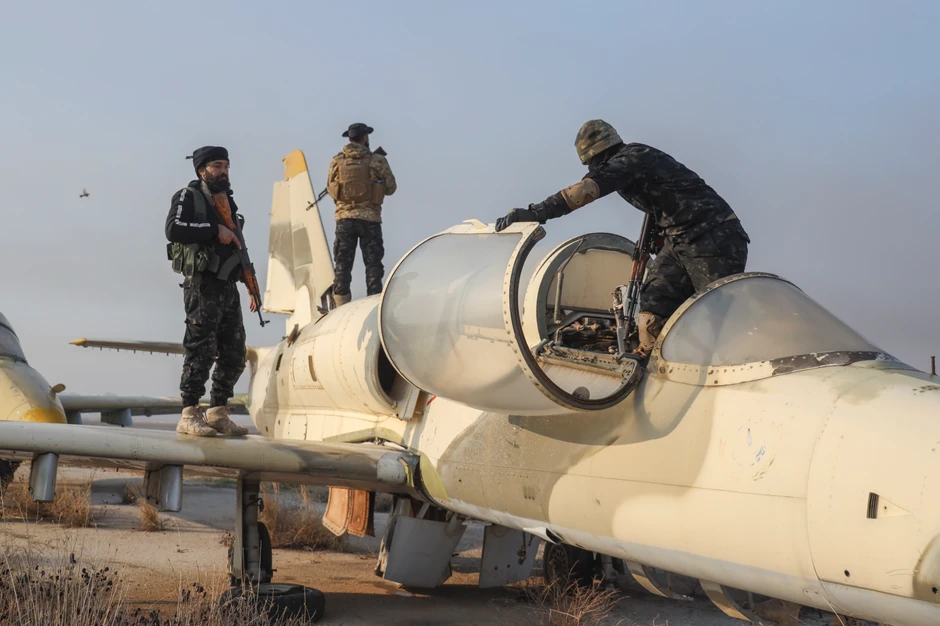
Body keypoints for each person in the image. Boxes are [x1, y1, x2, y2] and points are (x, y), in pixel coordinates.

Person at [495, 119, 749, 357]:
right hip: (680, 240)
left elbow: (585, 191)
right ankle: (654, 359)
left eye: (591, 163)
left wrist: (535, 213)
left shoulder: (630, 161)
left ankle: (740, 360)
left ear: (598, 155)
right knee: (654, 302)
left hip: (713, 236)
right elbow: (660, 202)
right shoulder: (631, 163)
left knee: (716, 313)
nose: (592, 170)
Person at [165, 145, 253, 437]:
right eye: (217, 166)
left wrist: (250, 285)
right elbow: (174, 229)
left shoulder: (227, 201)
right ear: (202, 170)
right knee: (201, 349)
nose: (223, 171)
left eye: (226, 166)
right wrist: (214, 230)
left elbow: (238, 243)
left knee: (235, 353)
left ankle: (217, 412)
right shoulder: (188, 197)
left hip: (228, 285)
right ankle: (189, 412)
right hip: (202, 285)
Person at [326, 123, 397, 306]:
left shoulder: (337, 161)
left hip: (344, 220)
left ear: (349, 139)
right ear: (364, 138)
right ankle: (373, 305)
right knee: (373, 266)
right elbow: (391, 188)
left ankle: (340, 307)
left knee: (342, 266)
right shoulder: (377, 160)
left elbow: (330, 188)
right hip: (370, 220)